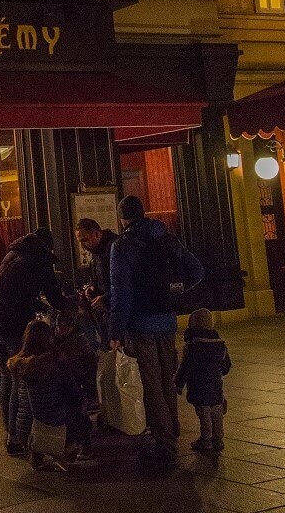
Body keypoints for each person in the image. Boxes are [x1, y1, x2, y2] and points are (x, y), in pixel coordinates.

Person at [108, 194, 204, 463]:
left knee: (151, 384)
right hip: (167, 321)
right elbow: (197, 271)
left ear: (122, 218)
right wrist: (174, 293)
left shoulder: (122, 246)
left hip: (140, 323)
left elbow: (121, 293)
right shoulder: (168, 238)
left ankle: (165, 445)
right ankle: (172, 430)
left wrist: (115, 332)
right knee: (167, 380)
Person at [0, 228, 66, 454]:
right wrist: (71, 305)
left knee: (6, 376)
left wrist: (39, 305)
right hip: (12, 324)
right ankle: (15, 438)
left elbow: (14, 290)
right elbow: (55, 296)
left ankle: (10, 434)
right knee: (17, 379)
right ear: (47, 246)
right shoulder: (40, 259)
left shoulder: (13, 253)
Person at [9, 318, 74, 472]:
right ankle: (65, 449)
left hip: (25, 429)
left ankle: (36, 455)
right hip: (54, 425)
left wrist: (13, 431)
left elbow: (14, 399)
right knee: (75, 405)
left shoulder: (17, 365)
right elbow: (71, 391)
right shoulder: (55, 360)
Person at [175, 308, 232, 453]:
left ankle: (206, 440)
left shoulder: (194, 345)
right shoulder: (219, 344)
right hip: (215, 385)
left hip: (198, 386)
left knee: (204, 413)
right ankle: (218, 439)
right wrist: (220, 372)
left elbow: (186, 367)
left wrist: (179, 383)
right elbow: (226, 366)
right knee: (217, 411)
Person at [54, 304, 98, 457]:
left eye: (66, 326)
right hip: (65, 382)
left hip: (76, 382)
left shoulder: (80, 341)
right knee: (71, 414)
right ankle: (73, 444)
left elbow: (90, 364)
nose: (62, 329)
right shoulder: (55, 340)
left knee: (78, 414)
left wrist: (89, 386)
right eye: (60, 326)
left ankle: (83, 444)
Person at [75, 217, 117, 348]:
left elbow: (123, 283)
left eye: (85, 240)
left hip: (115, 310)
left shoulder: (114, 248)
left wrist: (105, 298)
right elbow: (100, 278)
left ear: (96, 234)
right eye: (80, 242)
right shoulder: (97, 251)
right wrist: (92, 287)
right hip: (105, 310)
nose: (82, 246)